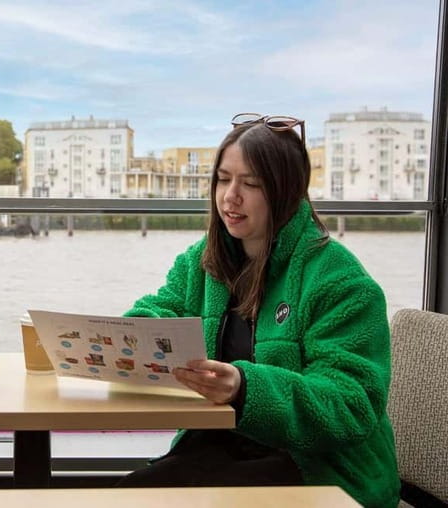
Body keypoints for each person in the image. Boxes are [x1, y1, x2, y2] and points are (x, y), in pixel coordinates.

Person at [117, 113, 399, 508]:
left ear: (286, 191)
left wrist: (244, 387)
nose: (230, 196)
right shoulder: (200, 263)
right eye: (223, 179)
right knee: (128, 497)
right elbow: (159, 310)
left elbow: (351, 404)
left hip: (322, 470)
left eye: (251, 183)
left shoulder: (340, 280)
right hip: (222, 448)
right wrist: (128, 336)